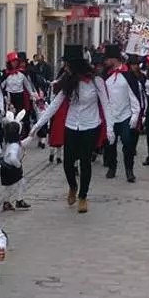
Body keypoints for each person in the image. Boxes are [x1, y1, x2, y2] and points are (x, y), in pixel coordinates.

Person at [30, 45, 113, 214]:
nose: (65, 67)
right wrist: (38, 124)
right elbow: (54, 105)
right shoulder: (67, 81)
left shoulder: (96, 81)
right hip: (72, 125)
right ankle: (73, 186)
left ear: (75, 65)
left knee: (85, 162)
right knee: (68, 162)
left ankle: (83, 196)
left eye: (67, 64)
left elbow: (106, 105)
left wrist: (110, 129)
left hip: (91, 125)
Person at [102, 45, 143, 183]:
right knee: (110, 144)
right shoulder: (105, 75)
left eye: (107, 59)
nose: (105, 62)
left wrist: (135, 114)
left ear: (113, 59)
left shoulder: (128, 75)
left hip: (125, 115)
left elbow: (135, 95)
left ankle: (129, 170)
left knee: (128, 143)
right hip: (111, 116)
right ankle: (112, 167)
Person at [0, 110, 31, 211]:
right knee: (20, 183)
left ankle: (7, 202)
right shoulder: (14, 146)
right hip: (12, 167)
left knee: (8, 186)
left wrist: (31, 136)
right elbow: (13, 157)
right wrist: (18, 165)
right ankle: (19, 200)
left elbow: (22, 143)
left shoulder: (10, 142)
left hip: (5, 166)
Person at [1, 51, 37, 138]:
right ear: (9, 62)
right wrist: (5, 97)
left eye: (16, 61)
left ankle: (20, 134)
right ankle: (9, 134)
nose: (15, 63)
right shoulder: (5, 74)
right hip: (10, 97)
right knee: (10, 116)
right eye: (13, 61)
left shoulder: (22, 73)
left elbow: (27, 85)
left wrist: (32, 94)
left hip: (20, 96)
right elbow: (1, 87)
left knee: (20, 115)